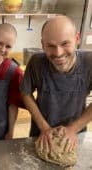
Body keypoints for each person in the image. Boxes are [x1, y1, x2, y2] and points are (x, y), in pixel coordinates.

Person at [20, 15, 92, 152]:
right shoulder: (36, 62)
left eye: (65, 44)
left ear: (77, 38)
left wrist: (73, 129)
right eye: (51, 46)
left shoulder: (90, 62)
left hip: (76, 135)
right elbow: (25, 93)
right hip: (41, 135)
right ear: (42, 45)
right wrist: (44, 128)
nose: (58, 53)